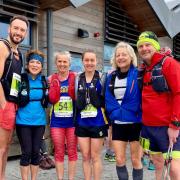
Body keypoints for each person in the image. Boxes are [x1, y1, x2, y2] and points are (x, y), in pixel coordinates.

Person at [137, 31, 180, 180]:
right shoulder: (143, 69)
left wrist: (175, 125)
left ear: (155, 46)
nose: (144, 48)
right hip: (148, 127)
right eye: (140, 46)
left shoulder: (168, 63)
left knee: (174, 168)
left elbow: (179, 93)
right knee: (158, 165)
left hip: (167, 127)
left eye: (148, 44)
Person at [105, 42, 143, 180]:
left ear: (131, 56)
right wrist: (112, 115)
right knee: (120, 159)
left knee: (135, 160)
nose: (120, 57)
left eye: (124, 54)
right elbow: (108, 98)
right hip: (118, 122)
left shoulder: (139, 74)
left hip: (136, 122)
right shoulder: (111, 76)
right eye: (118, 55)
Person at [0, 15, 28, 179]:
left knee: (6, 147)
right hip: (4, 104)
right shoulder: (3, 46)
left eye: (22, 30)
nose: (18, 32)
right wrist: (4, 105)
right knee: (1, 148)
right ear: (9, 29)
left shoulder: (19, 54)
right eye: (16, 28)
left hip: (13, 104)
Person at [75, 50, 108, 180]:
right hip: (81, 123)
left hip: (98, 123)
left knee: (95, 156)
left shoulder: (102, 77)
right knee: (85, 156)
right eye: (86, 60)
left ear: (97, 61)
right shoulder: (78, 78)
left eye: (92, 60)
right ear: (82, 61)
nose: (89, 63)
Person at [16, 50, 48, 180]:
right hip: (23, 121)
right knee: (26, 152)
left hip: (39, 122)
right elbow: (12, 96)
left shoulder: (45, 81)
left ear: (41, 66)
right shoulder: (19, 79)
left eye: (38, 62)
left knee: (36, 153)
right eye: (32, 62)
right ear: (28, 64)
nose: (35, 65)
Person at [48, 51, 77, 180]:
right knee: (58, 152)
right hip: (56, 122)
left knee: (72, 152)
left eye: (65, 61)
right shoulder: (50, 79)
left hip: (72, 123)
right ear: (56, 63)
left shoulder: (75, 78)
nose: (62, 64)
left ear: (69, 63)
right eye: (59, 61)